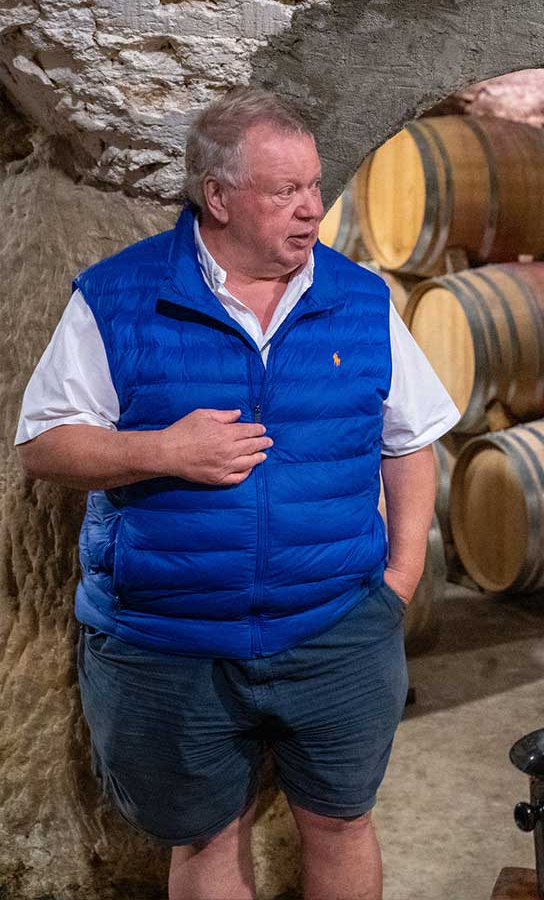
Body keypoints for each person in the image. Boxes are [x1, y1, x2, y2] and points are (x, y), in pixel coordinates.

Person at [15, 88, 460, 900]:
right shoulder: (119, 297)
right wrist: (163, 450)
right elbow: (43, 443)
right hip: (168, 641)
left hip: (335, 629)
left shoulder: (360, 300)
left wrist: (398, 583)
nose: (312, 207)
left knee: (342, 822)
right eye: (284, 190)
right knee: (205, 838)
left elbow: (411, 441)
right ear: (217, 197)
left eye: (314, 186)